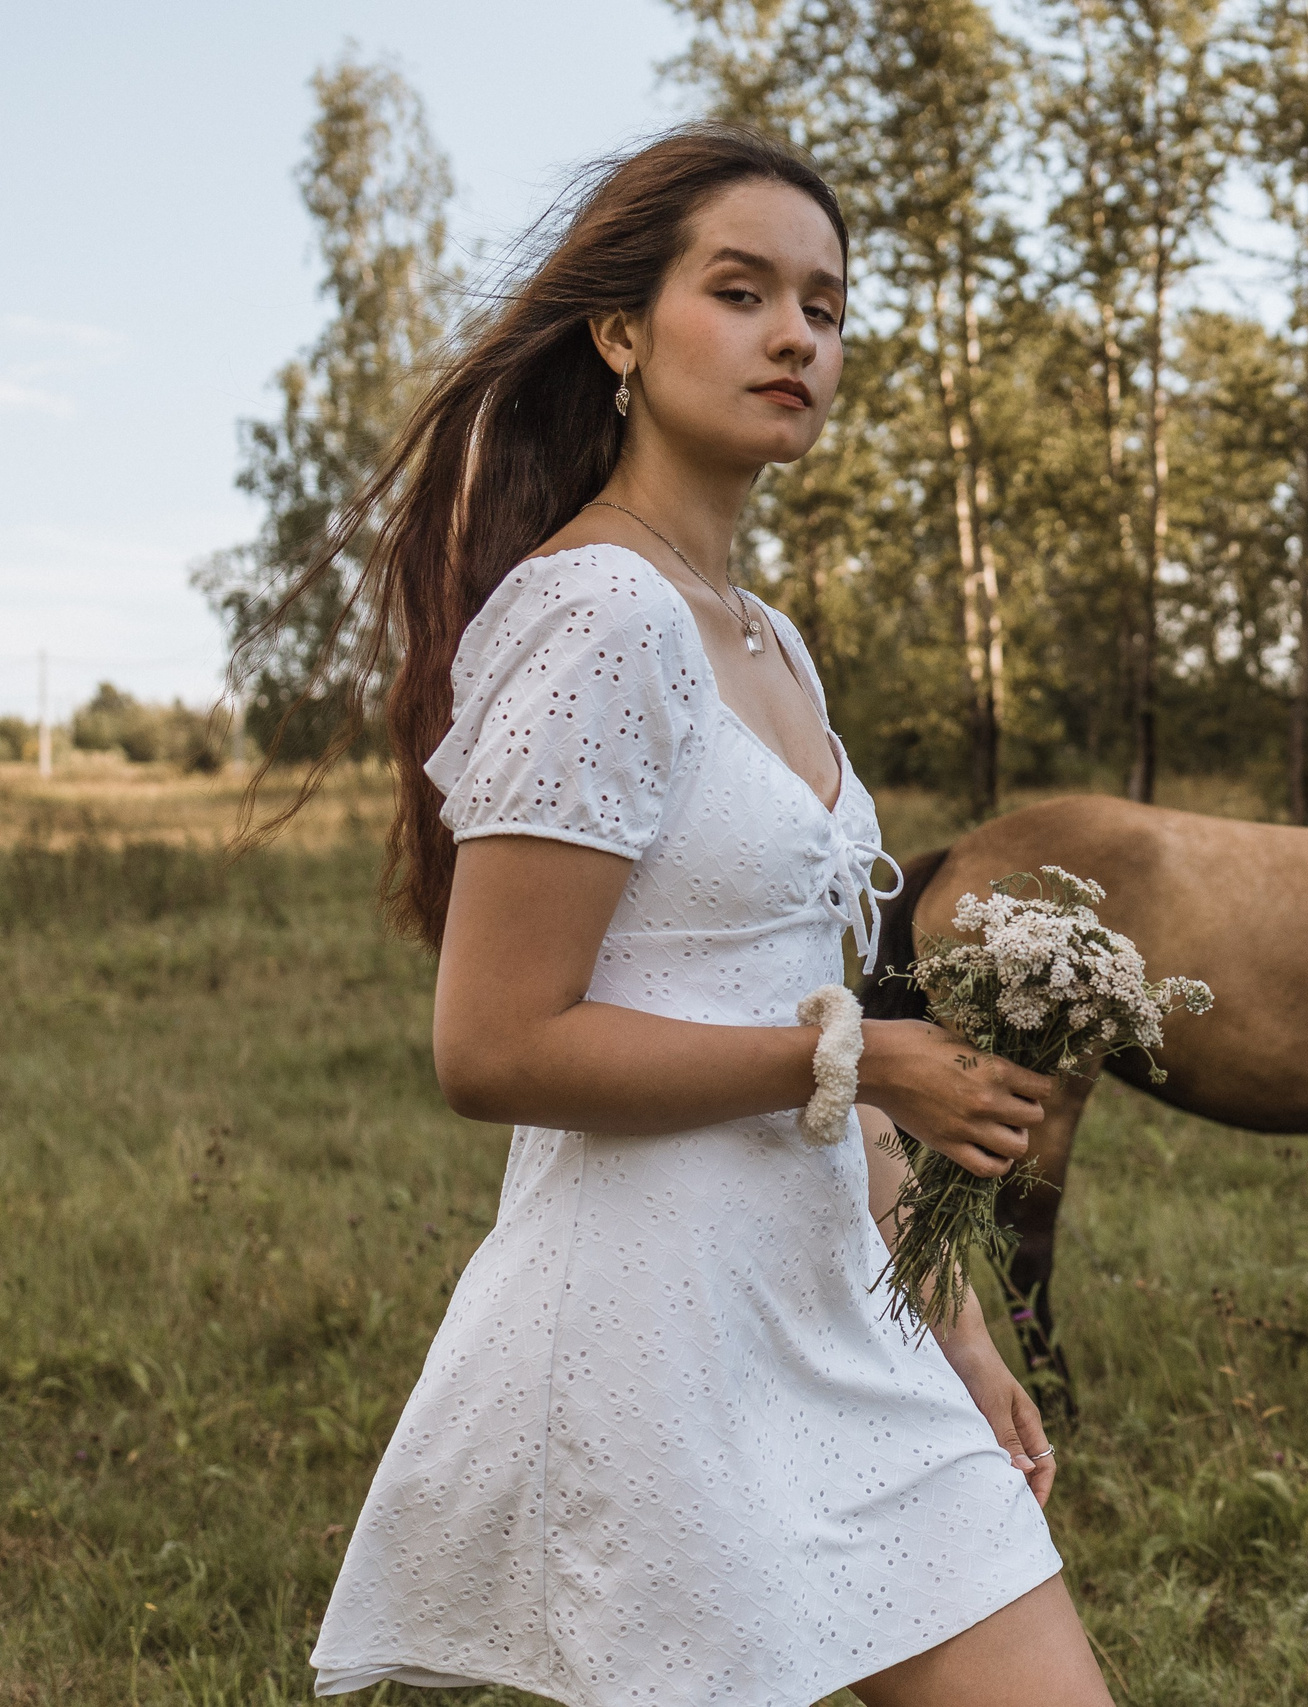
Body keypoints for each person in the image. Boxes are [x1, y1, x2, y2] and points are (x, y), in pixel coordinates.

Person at [266, 124, 1113, 1706]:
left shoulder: (773, 645)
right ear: (622, 332)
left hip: (842, 1325)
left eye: (827, 306)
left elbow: (819, 1032)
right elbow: (495, 1046)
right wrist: (854, 1060)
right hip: (652, 1346)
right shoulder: (596, 618)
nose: (797, 335)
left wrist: (965, 1342)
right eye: (743, 292)